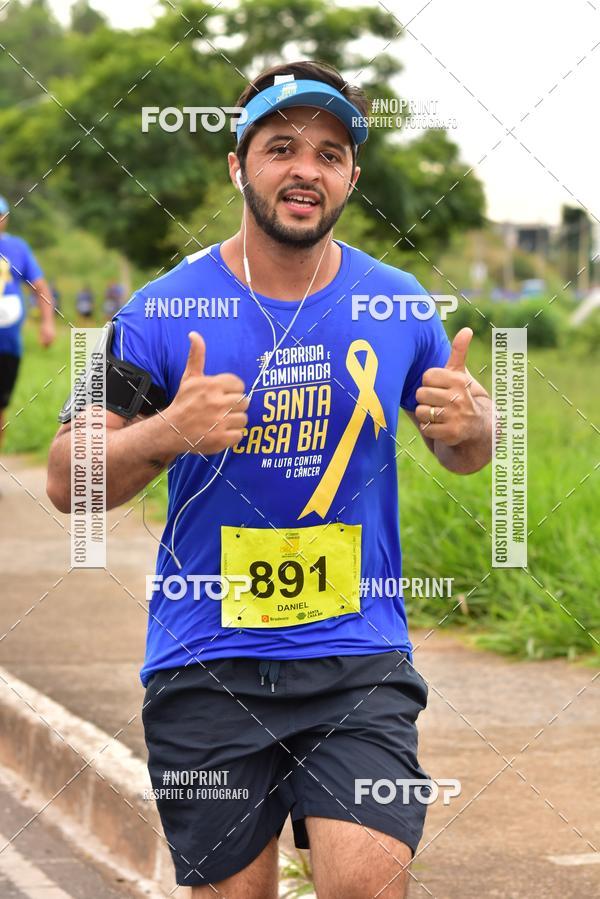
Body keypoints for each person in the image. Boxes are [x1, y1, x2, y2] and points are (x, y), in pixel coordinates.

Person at [47, 60, 492, 898]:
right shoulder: (159, 311)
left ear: (351, 178)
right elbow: (70, 480)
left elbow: (462, 447)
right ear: (238, 166)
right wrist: (171, 429)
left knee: (367, 882)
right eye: (281, 146)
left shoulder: (399, 304)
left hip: (357, 655)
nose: (305, 168)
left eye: (329, 153)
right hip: (206, 660)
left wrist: (479, 427)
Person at [0, 195, 55, 448]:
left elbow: (41, 288)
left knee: (0, 406)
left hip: (7, 346)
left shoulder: (18, 248)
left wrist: (47, 323)